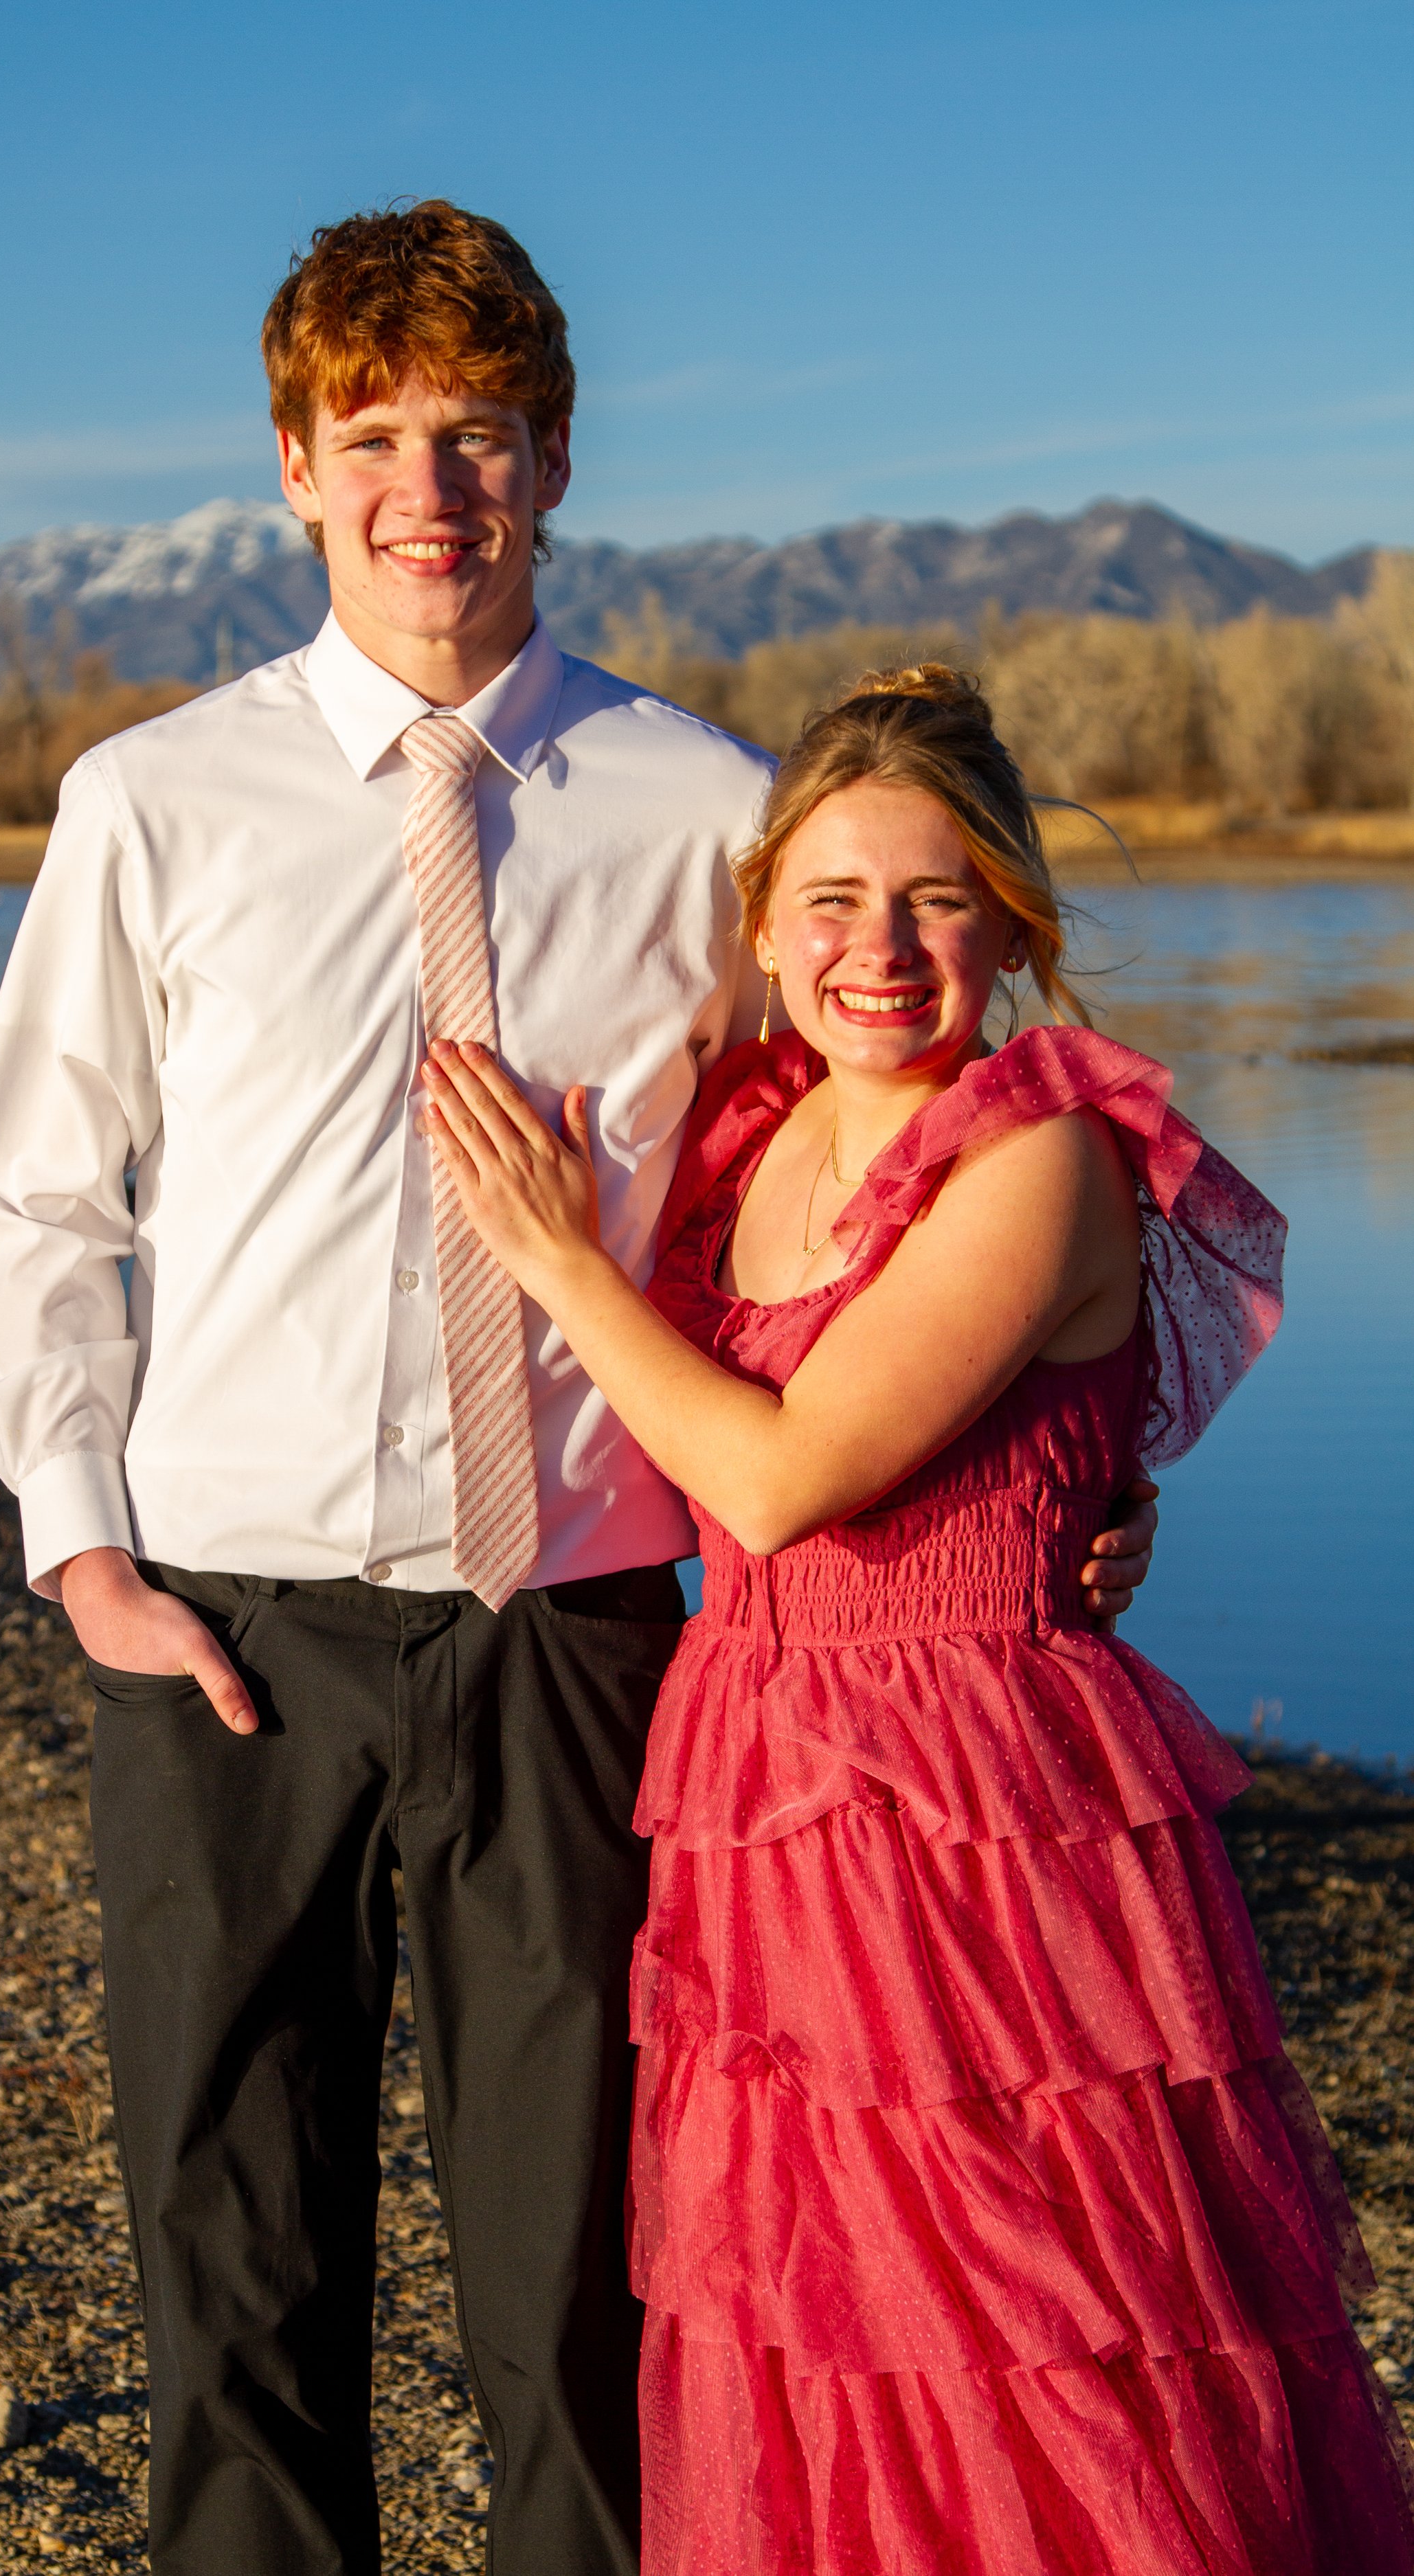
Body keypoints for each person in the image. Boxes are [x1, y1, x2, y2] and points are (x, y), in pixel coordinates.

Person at [0, 203, 1156, 2576]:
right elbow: (36, 1199)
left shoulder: (707, 813)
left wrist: (1067, 1470)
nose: (432, 491)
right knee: (231, 2239)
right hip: (231, 1625)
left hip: (588, 1634)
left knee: (588, 2276)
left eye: (479, 439)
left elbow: (889, 1171)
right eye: (376, 439)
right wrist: (78, 1544)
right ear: (293, 467)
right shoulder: (149, 800)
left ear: (556, 460)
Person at [418, 664, 1414, 2575]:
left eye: (939, 899)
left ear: (1010, 927)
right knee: (819, 2312)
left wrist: (549, 1253)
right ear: (765, 930)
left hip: (978, 1807)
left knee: (1030, 2304)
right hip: (753, 1774)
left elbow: (787, 1479)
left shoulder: (1034, 1156)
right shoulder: (753, 1132)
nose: (881, 949)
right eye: (834, 900)